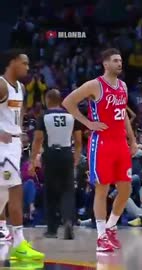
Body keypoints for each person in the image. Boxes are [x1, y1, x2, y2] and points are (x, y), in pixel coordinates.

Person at [62, 48, 137, 252]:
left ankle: (111, 226)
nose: (120, 63)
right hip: (101, 143)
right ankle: (101, 235)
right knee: (102, 189)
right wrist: (88, 123)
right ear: (105, 64)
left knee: (125, 189)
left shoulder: (123, 86)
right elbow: (68, 102)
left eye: (121, 60)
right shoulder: (95, 85)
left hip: (120, 142)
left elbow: (122, 115)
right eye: (115, 60)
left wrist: (133, 139)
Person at [0, 49, 44, 259]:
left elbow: (19, 115)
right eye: (24, 63)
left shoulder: (21, 88)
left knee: (2, 197)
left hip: (15, 145)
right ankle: (19, 243)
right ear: (12, 62)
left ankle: (13, 239)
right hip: (2, 147)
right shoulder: (1, 85)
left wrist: (19, 132)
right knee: (15, 191)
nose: (27, 68)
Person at [29, 89, 82, 239]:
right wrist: (76, 159)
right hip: (66, 154)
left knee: (51, 192)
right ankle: (68, 221)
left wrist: (33, 160)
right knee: (67, 190)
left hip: (51, 154)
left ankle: (52, 229)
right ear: (60, 100)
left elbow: (38, 139)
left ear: (47, 100)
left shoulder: (44, 116)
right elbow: (78, 142)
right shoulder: (72, 115)